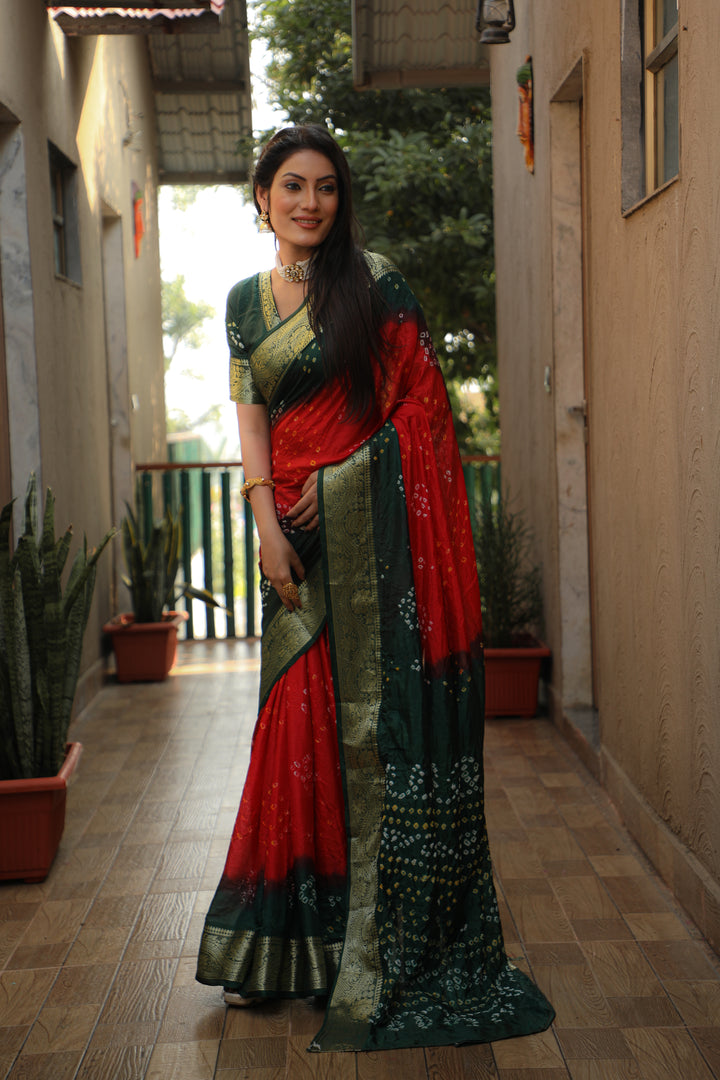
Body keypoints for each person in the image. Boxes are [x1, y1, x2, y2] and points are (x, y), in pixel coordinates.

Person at [196, 123, 554, 1052]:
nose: (309, 202)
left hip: (377, 544)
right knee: (293, 731)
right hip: (299, 552)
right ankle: (285, 953)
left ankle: (375, 946)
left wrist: (348, 477)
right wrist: (268, 525)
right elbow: (253, 422)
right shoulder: (243, 303)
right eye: (292, 187)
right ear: (263, 196)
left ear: (339, 199)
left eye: (325, 187)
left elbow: (421, 409)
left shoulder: (376, 283)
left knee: (370, 738)